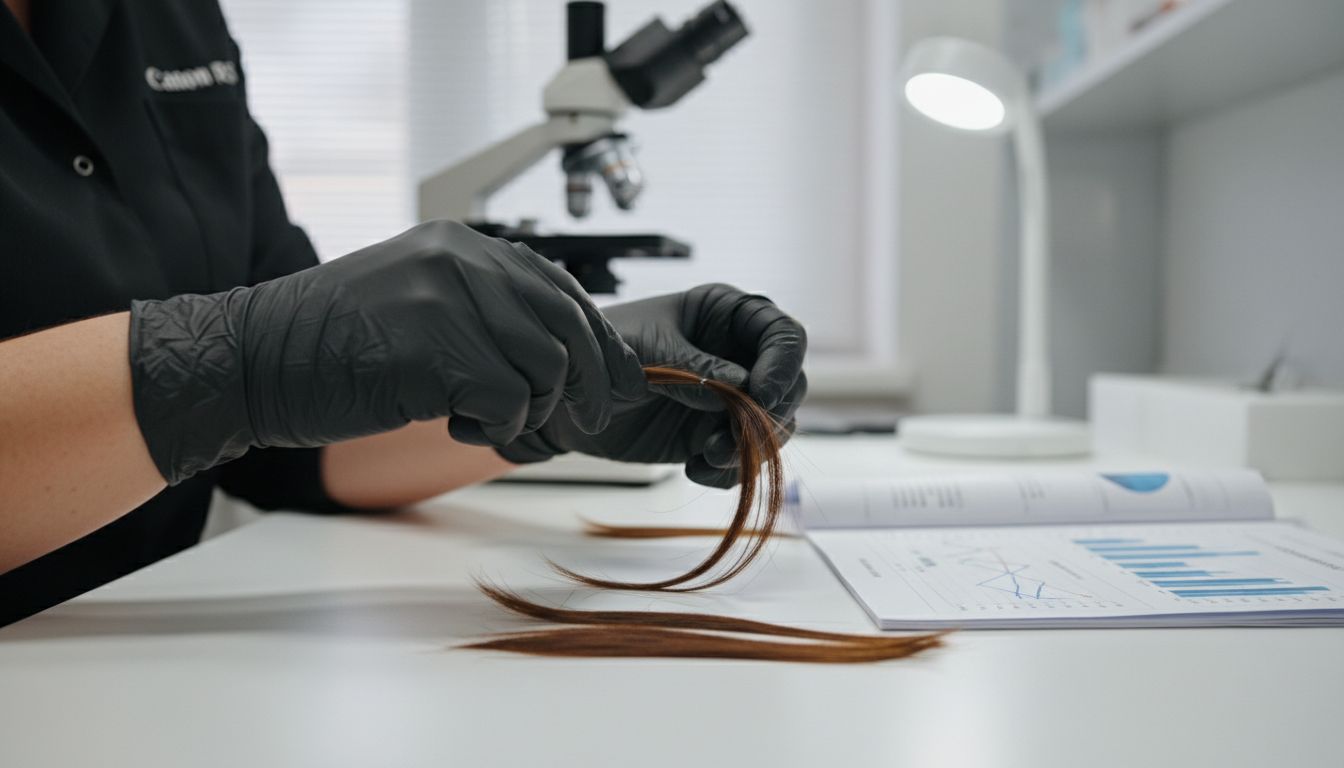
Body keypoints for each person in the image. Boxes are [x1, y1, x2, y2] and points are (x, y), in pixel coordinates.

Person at [0, 0, 807, 626]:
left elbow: (286, 448)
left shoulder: (167, 18)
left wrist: (554, 398)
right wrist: (237, 363)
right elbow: (244, 382)